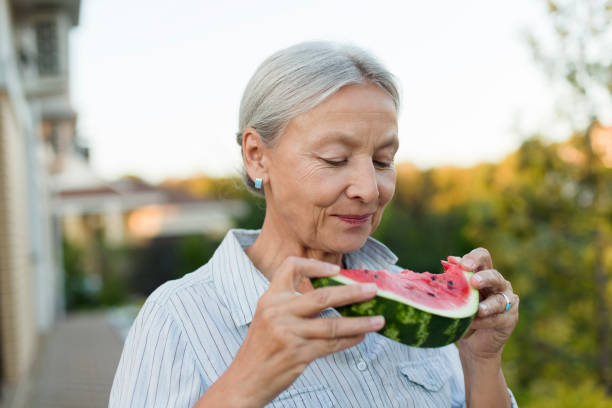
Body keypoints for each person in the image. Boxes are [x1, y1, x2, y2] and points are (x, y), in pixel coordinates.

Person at [109, 41, 519, 408]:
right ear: (257, 156)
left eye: (382, 161)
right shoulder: (178, 319)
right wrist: (246, 381)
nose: (368, 188)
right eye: (335, 159)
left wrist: (481, 362)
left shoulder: (416, 309)